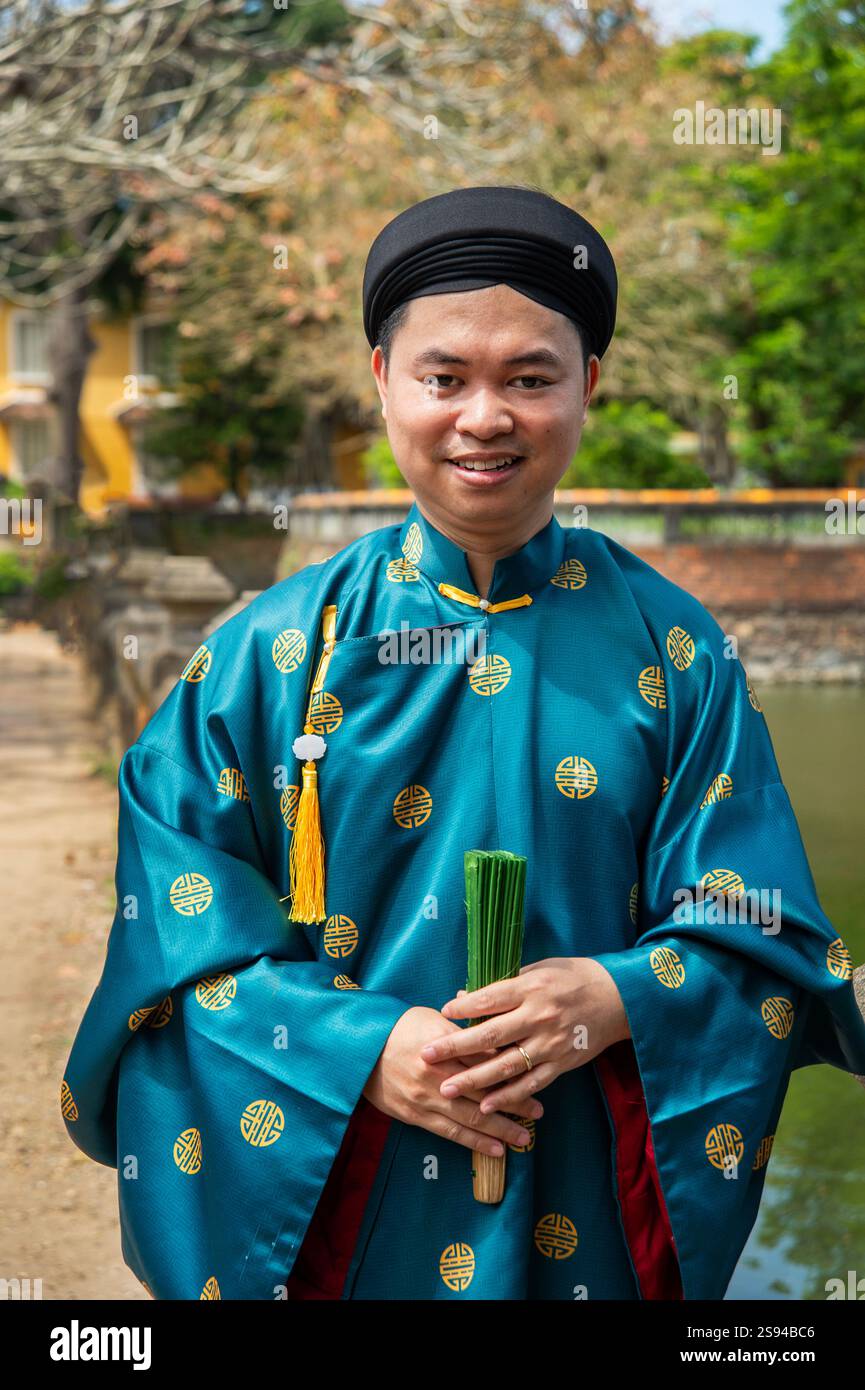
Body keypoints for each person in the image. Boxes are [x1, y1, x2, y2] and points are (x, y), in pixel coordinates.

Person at [61, 184, 865, 1301]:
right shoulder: (267, 655)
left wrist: (617, 994)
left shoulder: (678, 649)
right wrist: (357, 1052)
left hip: (583, 1188)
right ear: (381, 379)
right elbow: (173, 959)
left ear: (587, 384)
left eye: (529, 378)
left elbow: (765, 933)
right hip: (354, 1193)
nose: (483, 417)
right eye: (444, 377)